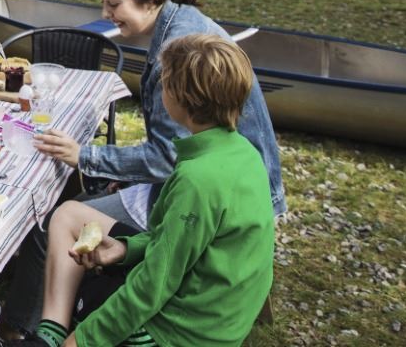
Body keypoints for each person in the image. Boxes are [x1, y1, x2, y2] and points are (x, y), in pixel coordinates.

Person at [2, 0, 285, 334]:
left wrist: (86, 157)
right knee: (83, 199)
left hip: (219, 198)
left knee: (51, 225)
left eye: (113, 3)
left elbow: (165, 160)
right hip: (237, 183)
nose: (105, 14)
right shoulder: (182, 22)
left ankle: (22, 330)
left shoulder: (177, 54)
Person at [32, 34, 275, 347]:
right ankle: (49, 337)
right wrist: (127, 249)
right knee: (67, 214)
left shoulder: (197, 179)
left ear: (180, 96)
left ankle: (62, 337)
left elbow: (154, 284)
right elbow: (181, 242)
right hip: (215, 308)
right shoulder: (242, 151)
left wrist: (83, 340)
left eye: (165, 82)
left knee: (92, 305)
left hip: (183, 332)